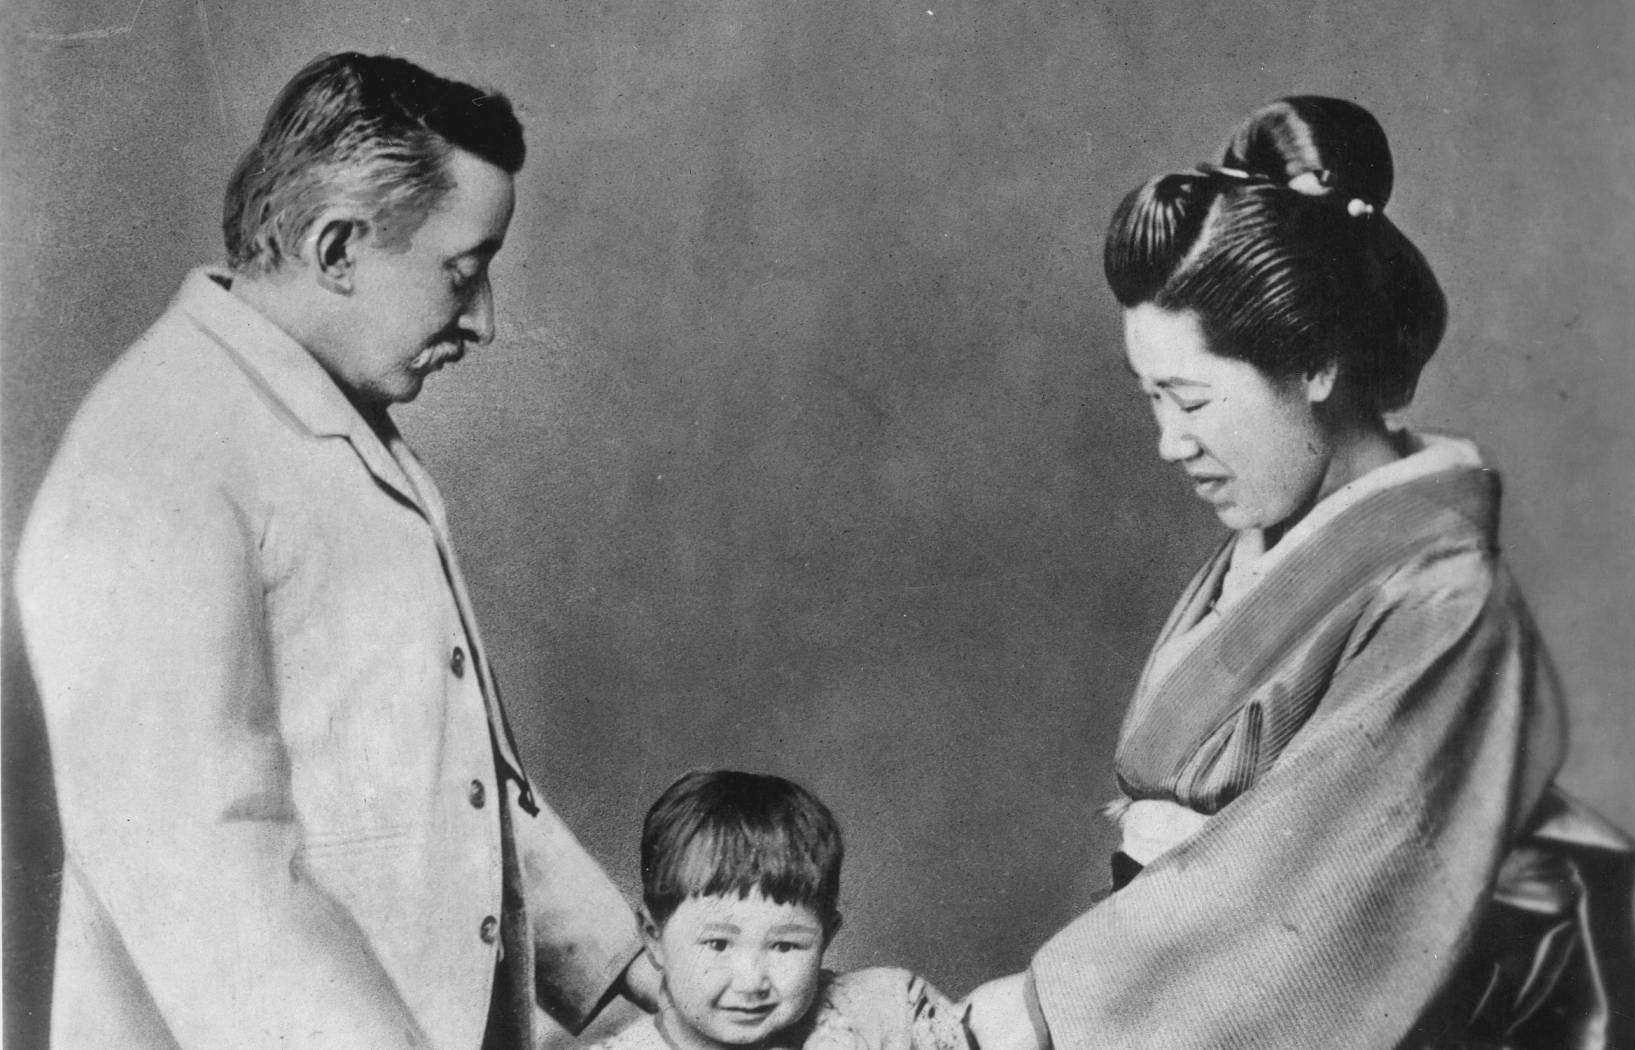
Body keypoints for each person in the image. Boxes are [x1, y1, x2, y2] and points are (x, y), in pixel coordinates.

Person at [962, 97, 1635, 1050]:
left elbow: (1316, 908)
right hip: (1163, 986)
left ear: (1319, 366)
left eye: (1194, 399)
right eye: (1153, 400)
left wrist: (1032, 1015)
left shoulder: (1445, 597)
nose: (1171, 443)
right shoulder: (1281, 537)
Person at [14, 52, 658, 1049]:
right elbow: (205, 875)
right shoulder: (149, 462)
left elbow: (461, 772)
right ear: (339, 247)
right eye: (464, 272)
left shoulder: (333, 421)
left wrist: (641, 981)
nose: (484, 321)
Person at [591, 770, 970, 1050]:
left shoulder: (888, 1011)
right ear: (654, 937)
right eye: (718, 944)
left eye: (785, 946)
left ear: (827, 935)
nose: (752, 981)